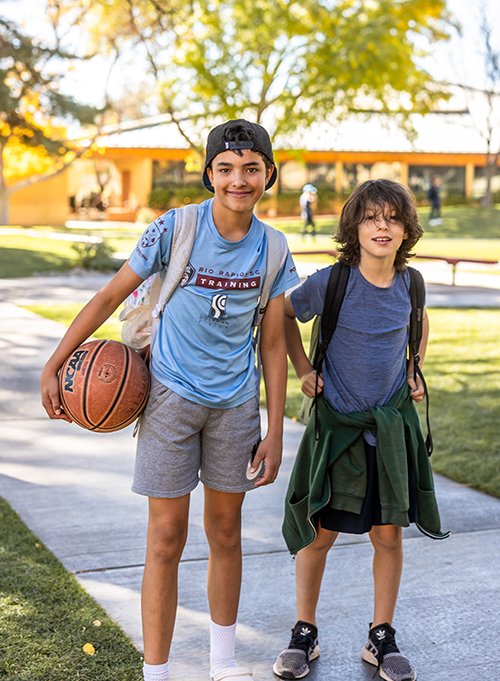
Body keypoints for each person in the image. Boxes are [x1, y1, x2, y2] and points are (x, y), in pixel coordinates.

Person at [40, 119, 299, 681]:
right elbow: (110, 294)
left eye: (251, 169)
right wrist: (58, 361)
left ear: (268, 176)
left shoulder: (275, 249)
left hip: (234, 407)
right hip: (170, 400)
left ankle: (222, 664)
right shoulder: (176, 228)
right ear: (209, 174)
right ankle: (154, 672)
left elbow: (274, 343)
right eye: (226, 169)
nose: (239, 179)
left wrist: (275, 429)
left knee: (226, 533)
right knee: (164, 538)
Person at [273, 179, 449, 681]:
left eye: (392, 218)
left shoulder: (410, 284)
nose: (382, 226)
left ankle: (381, 635)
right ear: (354, 225)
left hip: (389, 431)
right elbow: (284, 313)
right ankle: (304, 632)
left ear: (405, 229)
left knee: (388, 534)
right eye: (371, 217)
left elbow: (420, 322)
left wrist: (415, 368)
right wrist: (304, 369)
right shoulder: (332, 282)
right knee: (320, 534)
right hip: (339, 430)